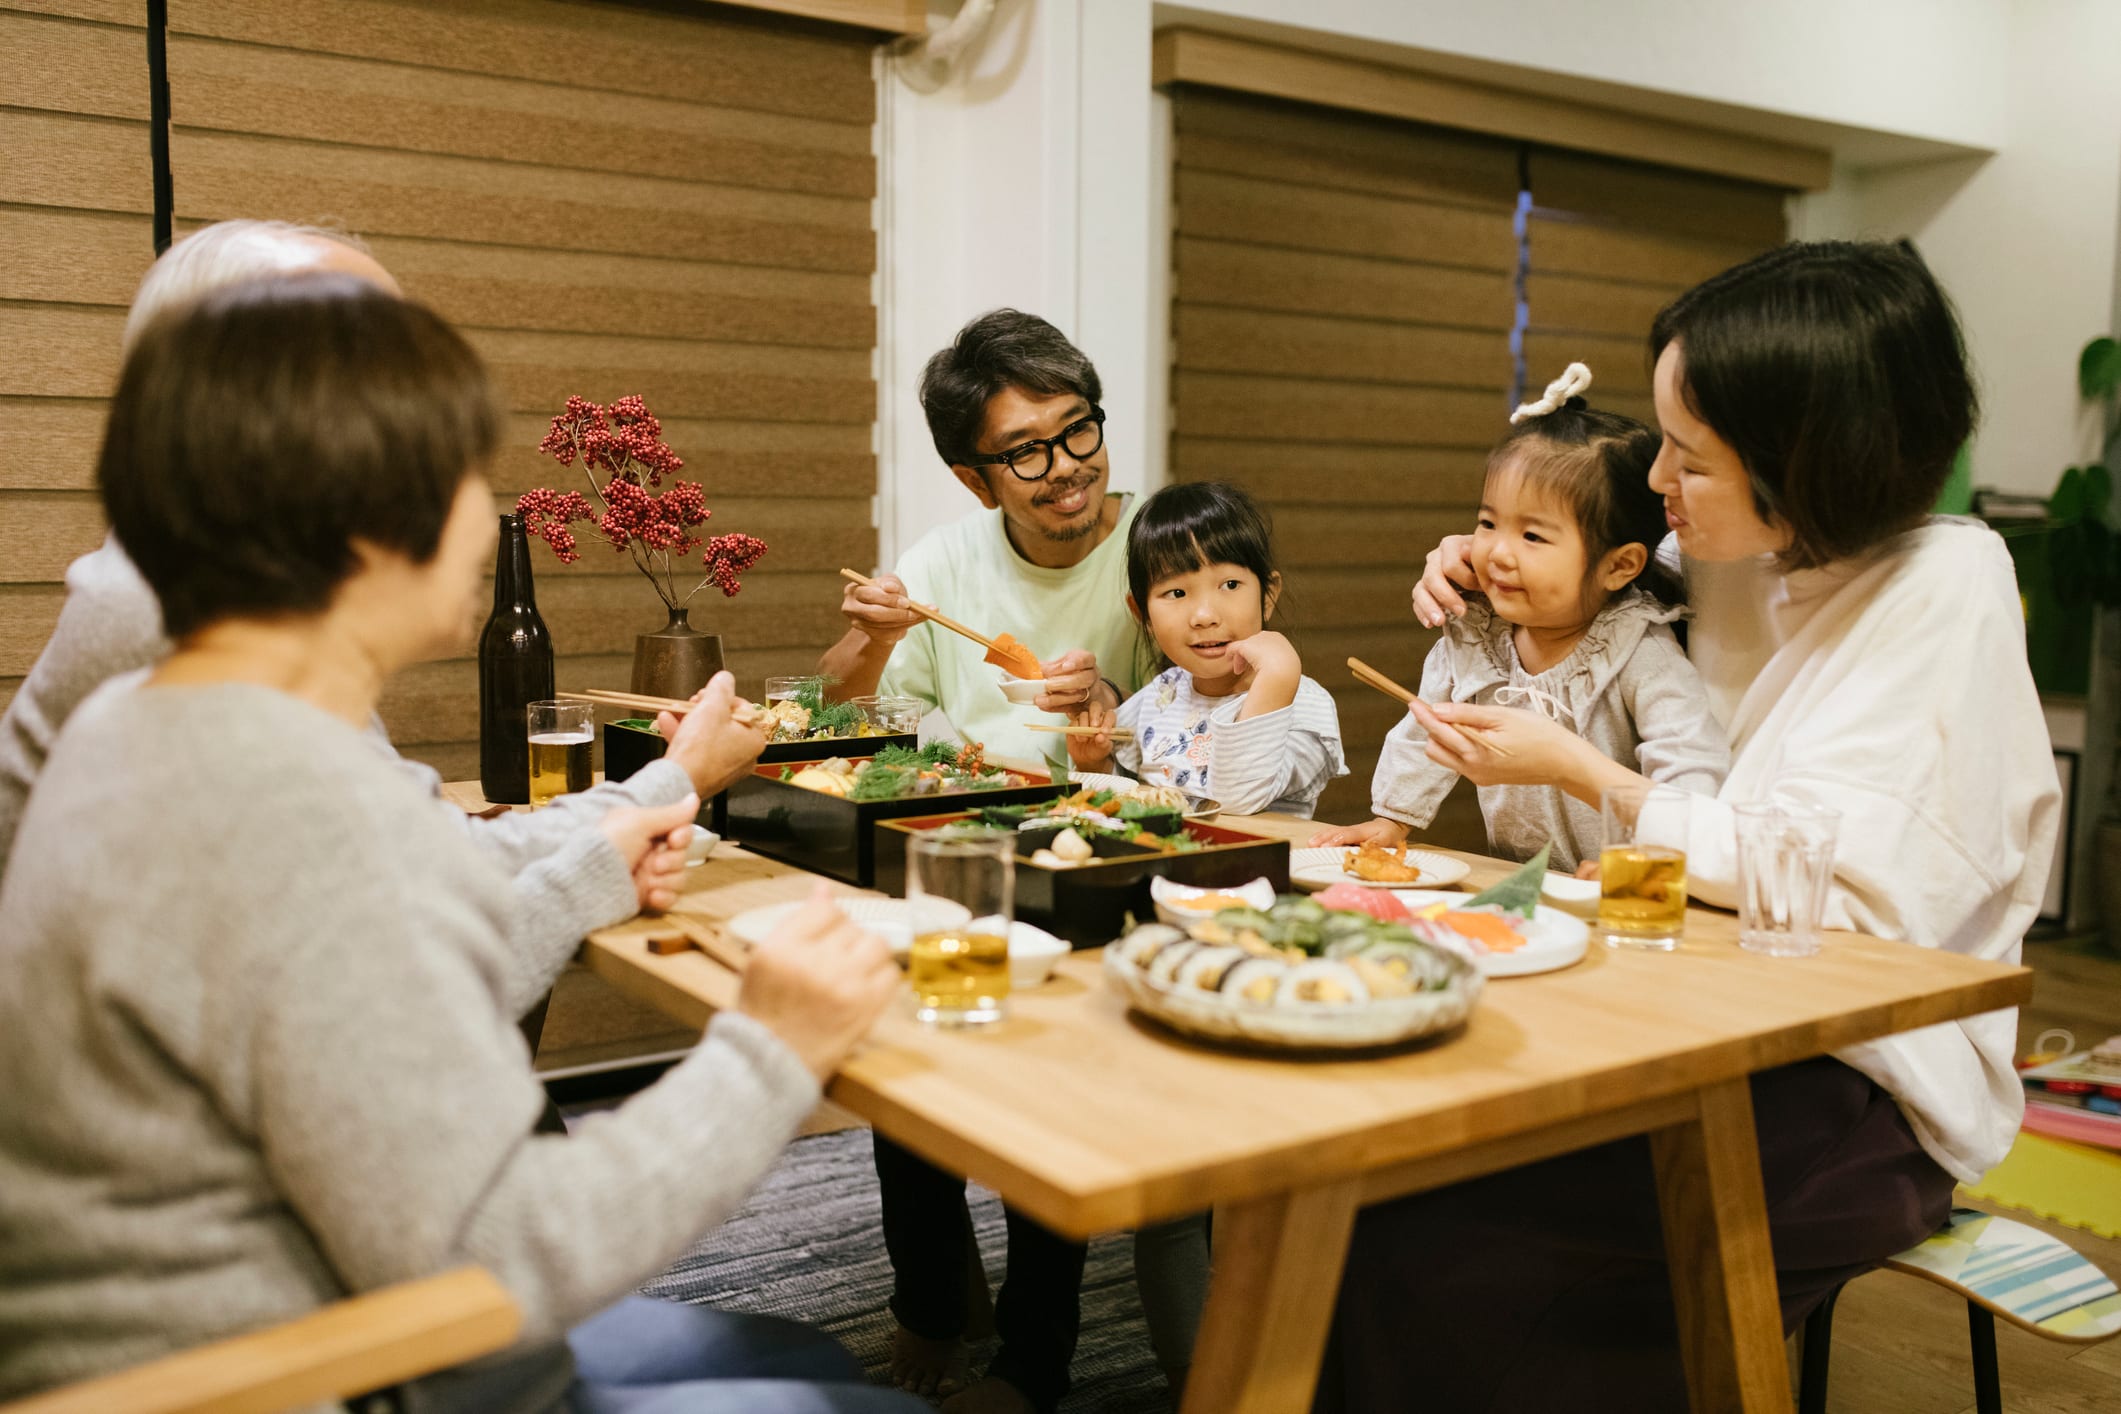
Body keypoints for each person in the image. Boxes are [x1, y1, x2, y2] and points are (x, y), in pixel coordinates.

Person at [0, 276, 918, 1414]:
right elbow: (506, 1255)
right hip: (303, 1369)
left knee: (819, 1364)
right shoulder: (298, 799)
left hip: (272, 1311)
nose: (489, 516)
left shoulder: (135, 719)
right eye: (462, 479)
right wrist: (770, 1049)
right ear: (364, 527)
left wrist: (590, 867)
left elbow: (358, 974)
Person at [1317, 241, 2059, 1411]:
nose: (1659, 480)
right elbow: (1588, 545)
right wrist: (1485, 557)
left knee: (1437, 1241)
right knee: (1367, 1166)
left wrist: (1586, 773)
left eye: (1690, 457)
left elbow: (1821, 886)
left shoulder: (1939, 595)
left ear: (1803, 463)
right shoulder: (1746, 541)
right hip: (1697, 1013)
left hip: (1860, 1088)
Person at [0, 219, 762, 1030]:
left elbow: (416, 854)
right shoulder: (175, 620)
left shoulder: (240, 594)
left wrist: (643, 808)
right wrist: (665, 796)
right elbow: (406, 980)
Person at [1311, 365, 1726, 868]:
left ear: (1619, 565)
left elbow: (1690, 771)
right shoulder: (1475, 634)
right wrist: (1392, 820)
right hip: (1523, 880)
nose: (1497, 553)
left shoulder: (1639, 648)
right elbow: (1425, 729)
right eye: (1488, 522)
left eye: (1532, 536)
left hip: (1619, 894)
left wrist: (1650, 860)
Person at [818, 309, 1156, 762]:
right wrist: (872, 639)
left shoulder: (1170, 546)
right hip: (988, 820)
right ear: (976, 483)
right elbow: (829, 720)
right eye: (1026, 452)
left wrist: (1110, 695)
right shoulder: (941, 564)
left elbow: (1228, 712)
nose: (1066, 466)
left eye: (1076, 429)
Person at [1069, 480, 1346, 816]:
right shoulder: (1161, 695)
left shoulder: (1304, 706)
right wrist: (1096, 764)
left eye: (1230, 584)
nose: (1204, 616)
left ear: (1268, 596)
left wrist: (1276, 677)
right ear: (1143, 615)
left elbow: (1235, 802)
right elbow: (1134, 799)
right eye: (1177, 593)